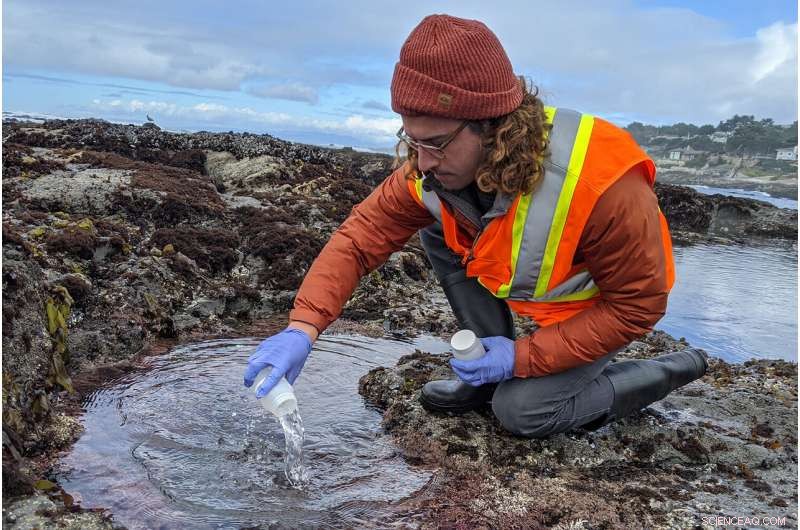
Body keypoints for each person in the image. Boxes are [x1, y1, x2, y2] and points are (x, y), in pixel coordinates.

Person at [243, 14, 708, 438]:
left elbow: (638, 306)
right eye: (412, 139)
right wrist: (302, 327)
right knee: (436, 225)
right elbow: (359, 238)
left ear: (492, 126)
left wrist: (523, 359)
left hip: (595, 314)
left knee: (522, 412)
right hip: (536, 304)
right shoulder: (430, 169)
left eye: (438, 143)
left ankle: (670, 369)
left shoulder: (604, 184)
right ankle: (484, 365)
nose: (422, 162)